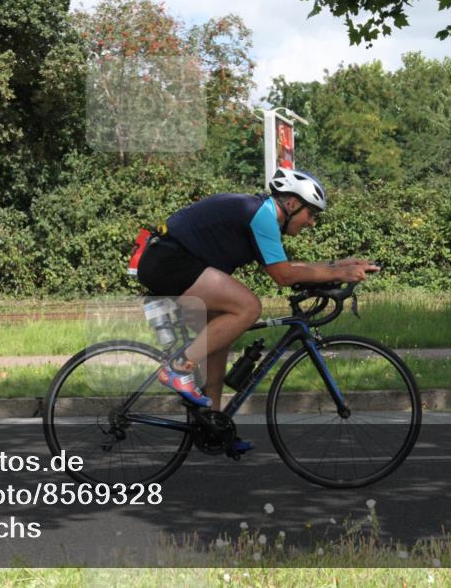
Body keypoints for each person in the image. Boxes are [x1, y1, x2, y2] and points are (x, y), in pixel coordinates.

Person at [135, 168, 380, 450]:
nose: (312, 222)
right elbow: (284, 277)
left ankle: (211, 423)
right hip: (170, 261)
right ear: (291, 204)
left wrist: (338, 267)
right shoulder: (261, 215)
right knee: (248, 308)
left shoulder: (260, 215)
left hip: (170, 260)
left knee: (218, 336)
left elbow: (285, 268)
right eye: (310, 213)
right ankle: (179, 368)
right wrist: (338, 273)